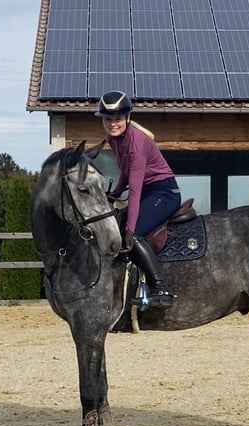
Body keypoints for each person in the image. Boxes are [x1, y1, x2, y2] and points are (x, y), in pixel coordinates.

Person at [96, 90, 181, 308]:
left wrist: (131, 231)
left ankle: (160, 290)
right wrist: (115, 191)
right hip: (147, 192)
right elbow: (125, 171)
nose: (112, 124)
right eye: (108, 119)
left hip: (164, 192)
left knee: (135, 235)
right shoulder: (113, 139)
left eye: (117, 119)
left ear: (128, 118)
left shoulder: (136, 143)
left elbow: (134, 191)